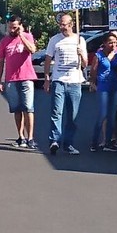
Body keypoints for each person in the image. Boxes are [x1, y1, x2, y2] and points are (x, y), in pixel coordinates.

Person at [43, 13, 87, 155]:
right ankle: (54, 141)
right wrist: (46, 78)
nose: (62, 27)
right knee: (56, 112)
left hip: (75, 82)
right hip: (59, 81)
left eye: (64, 24)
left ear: (71, 24)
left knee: (72, 116)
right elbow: (48, 59)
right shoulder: (54, 40)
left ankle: (68, 144)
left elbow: (85, 65)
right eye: (60, 24)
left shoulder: (80, 40)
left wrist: (81, 54)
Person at [0, 14, 38, 150]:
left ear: (20, 26)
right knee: (16, 109)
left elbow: (32, 50)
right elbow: (1, 61)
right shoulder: (4, 41)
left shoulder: (27, 36)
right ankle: (21, 137)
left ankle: (30, 138)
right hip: (11, 79)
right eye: (10, 27)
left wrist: (21, 36)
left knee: (28, 108)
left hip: (26, 78)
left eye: (14, 27)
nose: (11, 30)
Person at [89, 32, 117, 152]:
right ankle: (94, 141)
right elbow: (93, 71)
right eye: (110, 42)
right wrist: (93, 83)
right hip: (103, 85)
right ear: (104, 43)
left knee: (112, 116)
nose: (113, 45)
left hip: (115, 85)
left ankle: (108, 142)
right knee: (102, 114)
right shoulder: (99, 55)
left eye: (114, 42)